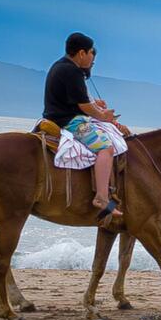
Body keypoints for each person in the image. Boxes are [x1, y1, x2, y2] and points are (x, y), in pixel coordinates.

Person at [43, 32, 131, 219]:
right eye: (91, 53)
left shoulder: (60, 66)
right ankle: (101, 197)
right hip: (70, 122)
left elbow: (78, 100)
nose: (92, 58)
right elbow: (83, 106)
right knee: (105, 149)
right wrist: (103, 115)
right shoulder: (72, 71)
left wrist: (94, 104)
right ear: (82, 53)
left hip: (57, 116)